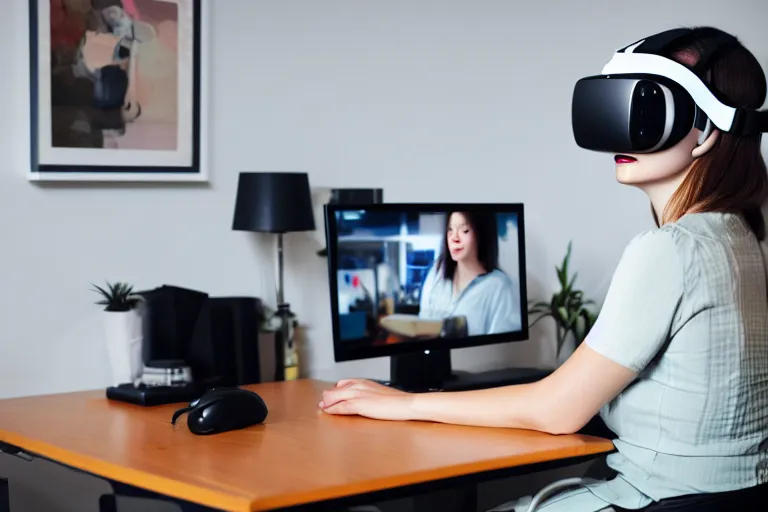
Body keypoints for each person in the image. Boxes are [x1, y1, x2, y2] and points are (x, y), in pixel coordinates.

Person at [319, 26, 768, 511]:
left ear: (707, 130)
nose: (621, 131)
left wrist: (402, 404)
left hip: (649, 498)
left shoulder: (671, 249)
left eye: (647, 108)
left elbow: (557, 410)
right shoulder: (742, 239)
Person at [418, 210, 522, 336]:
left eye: (464, 230)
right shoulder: (437, 272)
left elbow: (500, 347)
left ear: (482, 234)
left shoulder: (499, 286)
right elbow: (421, 327)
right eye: (450, 229)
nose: (454, 238)